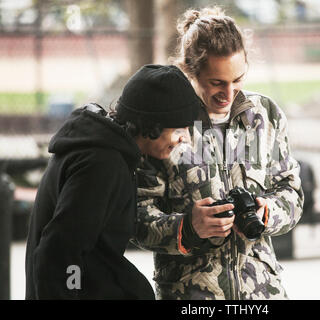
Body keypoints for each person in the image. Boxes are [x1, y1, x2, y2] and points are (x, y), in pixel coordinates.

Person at [134, 7, 304, 300]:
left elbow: (292, 193)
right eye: (217, 83)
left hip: (263, 293)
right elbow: (134, 215)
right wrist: (187, 227)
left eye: (238, 79)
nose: (229, 93)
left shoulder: (266, 115)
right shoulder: (164, 122)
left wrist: (267, 212)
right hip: (191, 296)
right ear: (190, 70)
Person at [25, 64, 202, 299]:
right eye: (179, 128)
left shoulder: (106, 150)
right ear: (153, 124)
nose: (184, 139)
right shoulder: (101, 164)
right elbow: (61, 254)